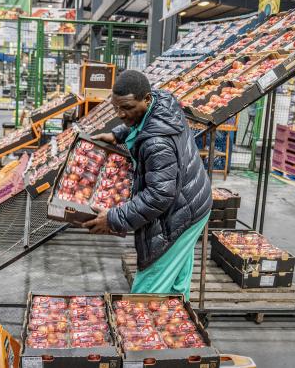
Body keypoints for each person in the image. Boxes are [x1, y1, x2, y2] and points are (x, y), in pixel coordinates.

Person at [82, 70, 212, 300]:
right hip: (193, 197)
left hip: (181, 210)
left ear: (146, 99)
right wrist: (119, 134)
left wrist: (113, 219)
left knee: (149, 289)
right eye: (117, 108)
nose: (121, 114)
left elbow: (158, 196)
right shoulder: (163, 102)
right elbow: (146, 122)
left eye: (128, 108)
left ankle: (144, 333)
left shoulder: (156, 143)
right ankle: (177, 327)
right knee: (176, 285)